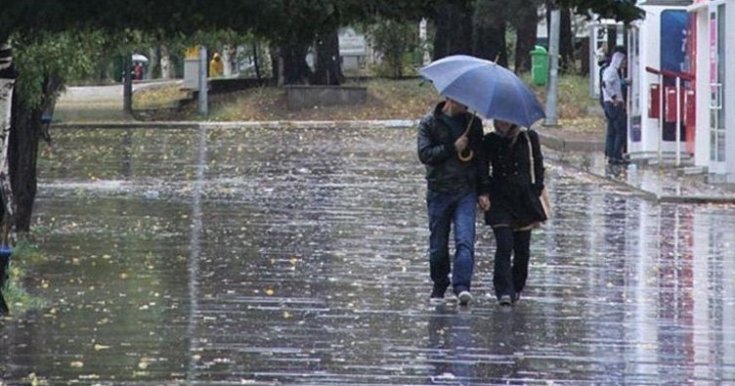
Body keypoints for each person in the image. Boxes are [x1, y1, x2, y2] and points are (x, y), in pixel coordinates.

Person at [417, 98, 490, 306]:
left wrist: (483, 190)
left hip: (465, 190)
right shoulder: (429, 123)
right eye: (461, 100)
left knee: (465, 240)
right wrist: (452, 147)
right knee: (438, 244)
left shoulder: (472, 124)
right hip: (439, 191)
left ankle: (462, 286)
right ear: (450, 99)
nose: (466, 104)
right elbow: (425, 154)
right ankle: (439, 284)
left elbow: (480, 159)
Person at [481, 120, 547, 307]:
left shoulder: (528, 138)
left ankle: (517, 286)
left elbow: (538, 164)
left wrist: (537, 188)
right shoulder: (490, 141)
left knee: (522, 249)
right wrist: (484, 192)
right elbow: (483, 169)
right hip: (500, 199)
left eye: (506, 120)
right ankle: (503, 290)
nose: (502, 123)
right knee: (504, 244)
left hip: (524, 200)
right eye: (499, 120)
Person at [602, 51, 628, 165]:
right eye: (624, 61)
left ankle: (611, 154)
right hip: (614, 104)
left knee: (611, 130)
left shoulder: (612, 71)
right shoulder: (612, 71)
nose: (625, 64)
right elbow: (606, 83)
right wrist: (614, 97)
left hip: (609, 103)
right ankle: (617, 155)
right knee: (620, 130)